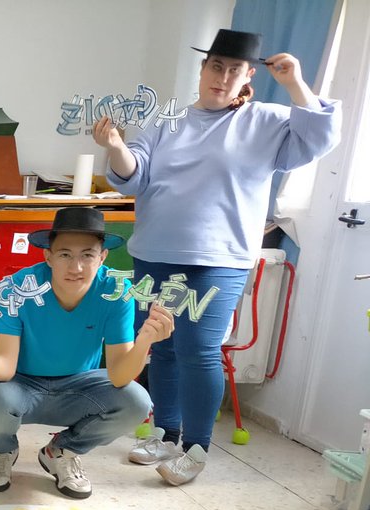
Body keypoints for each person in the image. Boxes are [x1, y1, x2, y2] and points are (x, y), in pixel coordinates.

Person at [94, 28, 341, 485]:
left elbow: (319, 138)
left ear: (249, 76)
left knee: (199, 349)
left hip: (220, 259)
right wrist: (115, 147)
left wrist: (294, 82)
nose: (223, 77)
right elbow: (134, 175)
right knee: (161, 346)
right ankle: (167, 433)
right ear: (203, 68)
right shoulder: (166, 122)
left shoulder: (265, 121)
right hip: (155, 252)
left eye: (234, 70)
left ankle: (196, 448)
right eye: (216, 66)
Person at [0, 207, 174, 499]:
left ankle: (62, 451)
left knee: (137, 402)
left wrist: (144, 342)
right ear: (48, 256)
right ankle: (2, 450)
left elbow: (119, 376)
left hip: (80, 387)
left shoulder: (117, 292)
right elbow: (4, 368)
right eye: (65, 254)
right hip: (21, 384)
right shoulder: (18, 288)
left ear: (102, 257)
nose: (75, 267)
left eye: (87, 255)